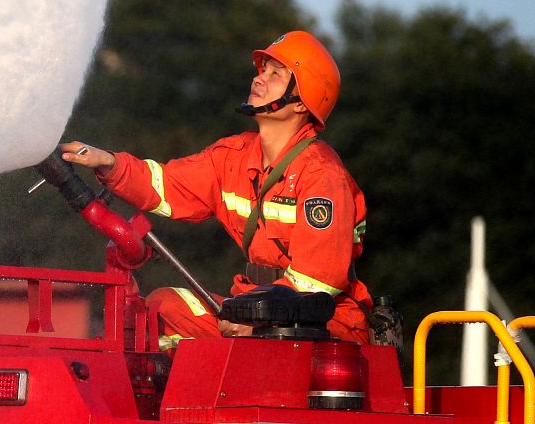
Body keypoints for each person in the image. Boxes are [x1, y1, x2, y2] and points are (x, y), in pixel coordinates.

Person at [60, 30, 373, 347]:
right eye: (262, 70)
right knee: (160, 310)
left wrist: (258, 323)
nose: (258, 80)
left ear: (301, 103)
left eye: (275, 75)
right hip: (253, 311)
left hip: (321, 326)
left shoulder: (322, 175)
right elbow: (167, 185)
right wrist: (110, 163)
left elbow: (316, 282)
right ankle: (168, 396)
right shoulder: (234, 157)